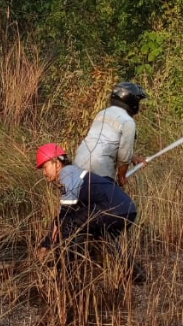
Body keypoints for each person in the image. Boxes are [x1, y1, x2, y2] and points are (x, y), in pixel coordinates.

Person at [35, 143, 146, 283]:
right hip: (127, 210)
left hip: (112, 209)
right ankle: (136, 275)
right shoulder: (75, 173)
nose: (44, 173)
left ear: (57, 163)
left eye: (45, 167)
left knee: (71, 226)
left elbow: (63, 218)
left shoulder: (66, 174)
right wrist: (48, 243)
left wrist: (47, 245)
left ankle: (67, 278)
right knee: (101, 236)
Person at [73, 82, 148, 186]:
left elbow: (105, 142)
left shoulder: (102, 113)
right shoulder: (128, 122)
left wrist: (134, 158)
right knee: (119, 202)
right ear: (132, 102)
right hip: (100, 169)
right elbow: (123, 156)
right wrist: (122, 177)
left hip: (78, 165)